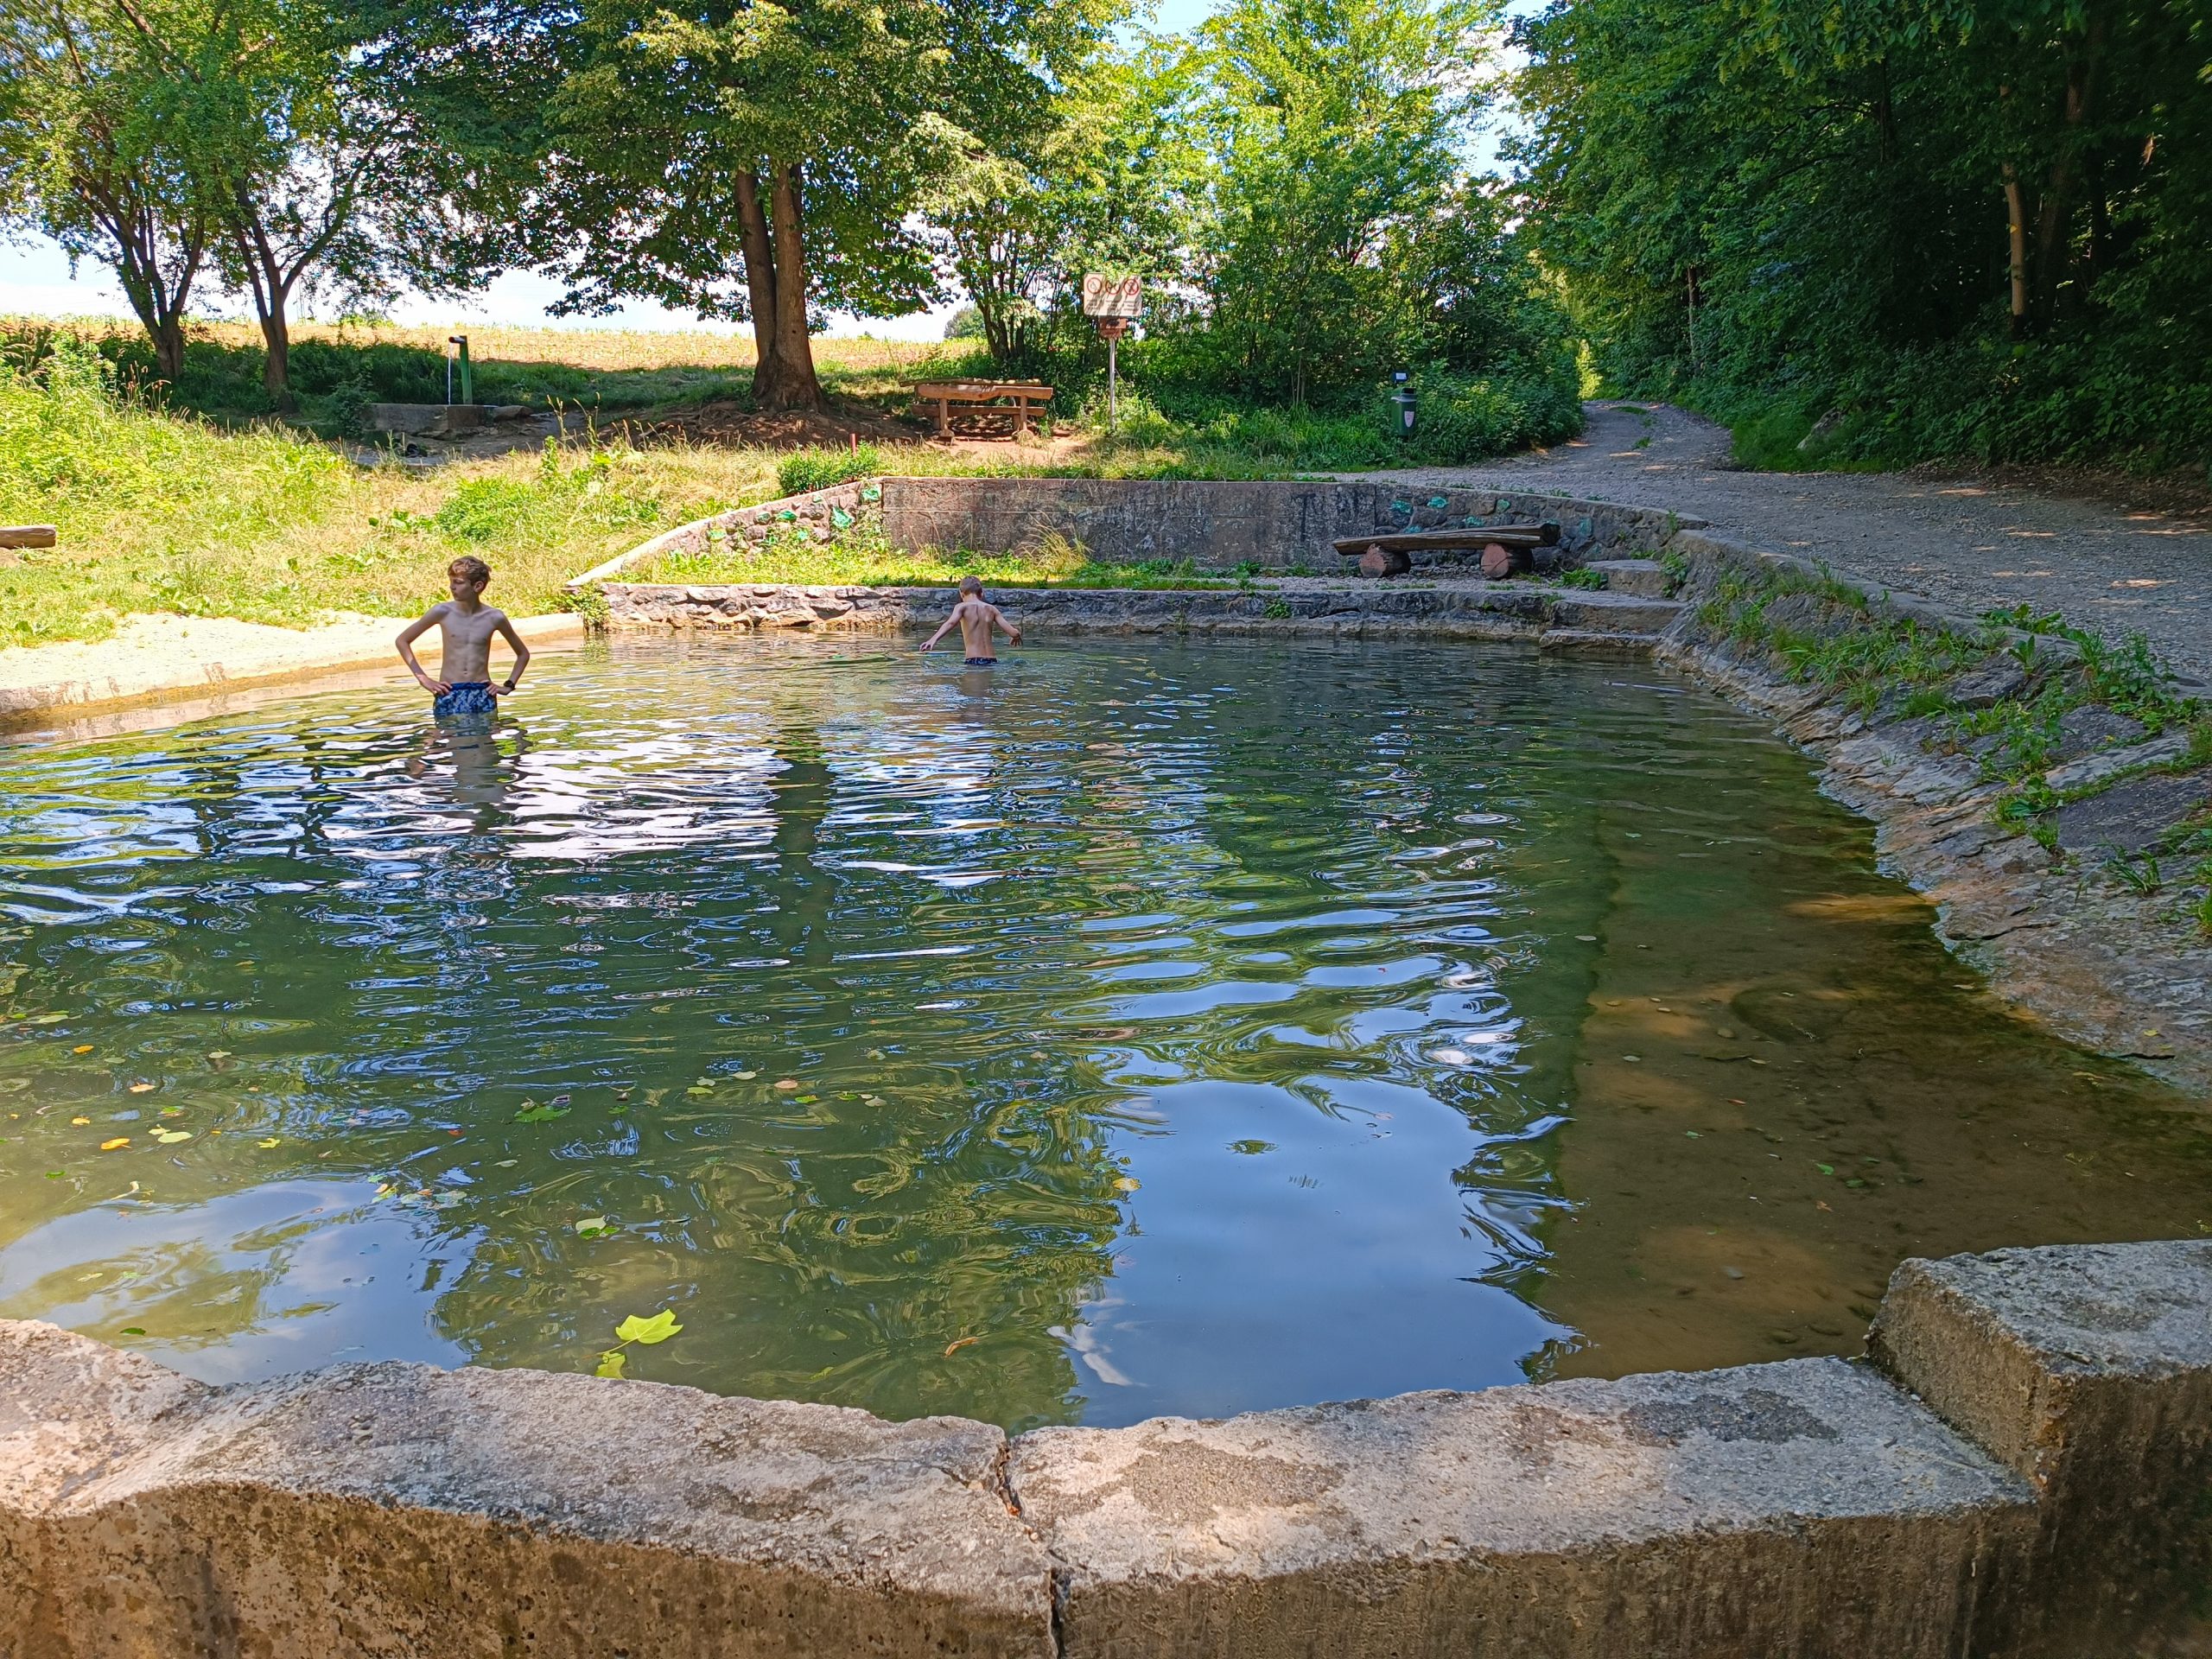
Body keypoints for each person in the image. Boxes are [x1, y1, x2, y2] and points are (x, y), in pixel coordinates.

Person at [396, 556, 532, 718]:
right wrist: (423, 679)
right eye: (451, 581)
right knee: (451, 740)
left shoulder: (495, 617)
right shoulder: (442, 612)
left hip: (482, 692)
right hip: (449, 690)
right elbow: (402, 641)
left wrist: (508, 686)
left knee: (485, 740)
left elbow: (523, 654)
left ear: (478, 586)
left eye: (458, 583)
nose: (452, 587)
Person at [920, 576, 1022, 665]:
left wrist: (933, 639)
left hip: (973, 661)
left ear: (961, 593)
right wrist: (1016, 637)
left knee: (970, 688)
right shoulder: (991, 609)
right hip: (992, 661)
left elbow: (950, 623)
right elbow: (1014, 633)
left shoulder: (961, 607)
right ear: (981, 593)